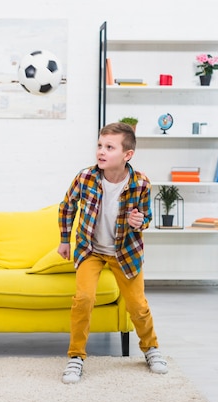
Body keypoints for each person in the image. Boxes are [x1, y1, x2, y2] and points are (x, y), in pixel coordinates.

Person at [57, 122, 167, 384]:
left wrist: (140, 221)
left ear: (127, 154)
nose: (101, 152)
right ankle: (76, 356)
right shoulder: (86, 177)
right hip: (91, 250)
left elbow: (147, 217)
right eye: (99, 146)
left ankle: (151, 348)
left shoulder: (141, 183)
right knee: (83, 299)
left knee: (137, 306)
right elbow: (67, 207)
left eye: (109, 147)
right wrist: (64, 240)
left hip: (125, 252)